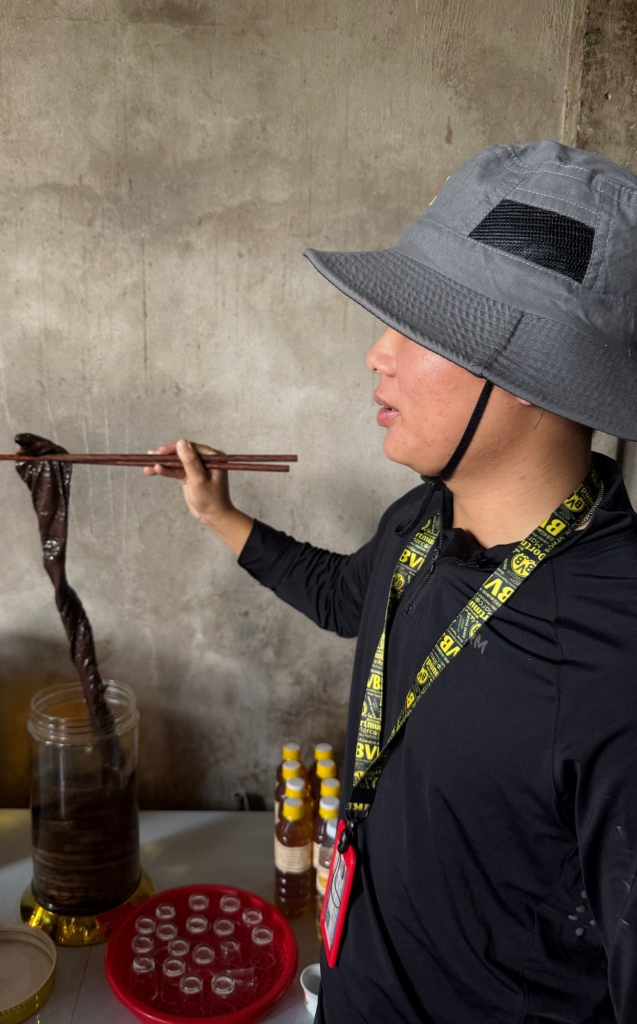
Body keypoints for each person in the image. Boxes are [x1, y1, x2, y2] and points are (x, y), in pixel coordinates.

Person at [145, 140, 637, 1023]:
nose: (378, 354)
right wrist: (218, 513)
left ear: (535, 374)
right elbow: (350, 599)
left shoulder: (616, 656)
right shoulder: (425, 518)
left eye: (423, 329)